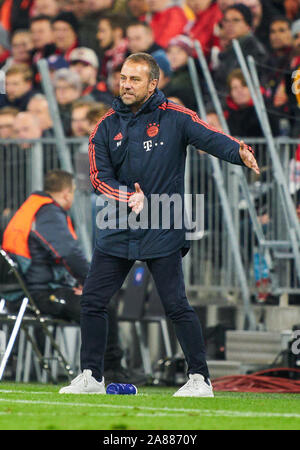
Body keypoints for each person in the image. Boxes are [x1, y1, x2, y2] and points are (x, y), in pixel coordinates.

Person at [59, 52, 259, 395]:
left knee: (175, 304)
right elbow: (97, 178)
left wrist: (238, 151)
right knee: (93, 300)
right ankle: (91, 376)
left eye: (135, 79)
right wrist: (126, 197)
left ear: (154, 83)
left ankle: (200, 379)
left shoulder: (175, 117)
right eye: (123, 78)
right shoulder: (104, 126)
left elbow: (208, 135)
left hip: (162, 223)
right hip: (117, 224)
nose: (126, 85)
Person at [2, 169, 142, 384]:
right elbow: (68, 254)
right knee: (102, 304)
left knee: (95, 303)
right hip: (40, 293)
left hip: (20, 292)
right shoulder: (48, 213)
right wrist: (90, 283)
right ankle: (111, 370)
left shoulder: (30, 207)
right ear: (67, 193)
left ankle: (104, 369)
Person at [212, 3, 268, 100]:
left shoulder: (253, 50)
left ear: (248, 25)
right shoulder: (231, 48)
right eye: (226, 20)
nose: (229, 25)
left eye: (236, 20)